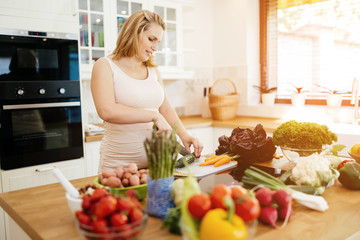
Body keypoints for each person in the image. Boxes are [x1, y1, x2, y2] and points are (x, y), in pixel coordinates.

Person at [91, 10, 203, 172]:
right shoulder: (105, 66)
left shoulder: (152, 70)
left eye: (158, 42)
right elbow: (106, 110)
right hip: (118, 168)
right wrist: (153, 115)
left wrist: (184, 135)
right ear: (133, 33)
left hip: (156, 166)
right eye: (151, 39)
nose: (155, 47)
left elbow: (165, 108)